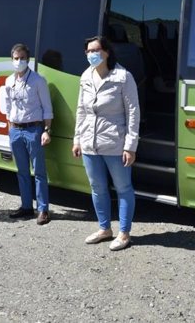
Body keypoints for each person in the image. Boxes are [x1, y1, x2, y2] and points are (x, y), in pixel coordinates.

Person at [72, 36, 140, 251]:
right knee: (97, 187)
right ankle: (104, 229)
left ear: (107, 52)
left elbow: (133, 112)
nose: (92, 54)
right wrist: (77, 139)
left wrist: (130, 145)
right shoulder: (85, 75)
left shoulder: (123, 76)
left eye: (96, 50)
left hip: (115, 143)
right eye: (88, 51)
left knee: (123, 188)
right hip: (90, 144)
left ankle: (124, 233)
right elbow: (81, 110)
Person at [4, 43, 54, 225]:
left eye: (22, 58)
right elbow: (8, 107)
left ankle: (43, 209)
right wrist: (10, 127)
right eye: (16, 58)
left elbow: (47, 108)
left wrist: (47, 130)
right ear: (12, 60)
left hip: (34, 129)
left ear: (28, 59)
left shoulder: (38, 81)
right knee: (22, 171)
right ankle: (26, 206)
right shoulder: (8, 81)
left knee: (39, 171)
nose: (19, 62)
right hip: (15, 130)